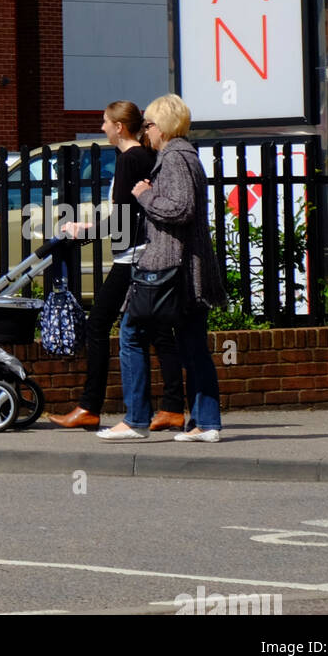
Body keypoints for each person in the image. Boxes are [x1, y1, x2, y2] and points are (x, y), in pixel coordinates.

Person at [47, 101, 185, 431]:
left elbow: (122, 220)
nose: (102, 128)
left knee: (97, 324)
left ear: (119, 127)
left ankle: (90, 406)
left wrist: (84, 231)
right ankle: (172, 406)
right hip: (145, 251)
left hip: (133, 256)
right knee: (158, 330)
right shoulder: (147, 156)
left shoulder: (129, 159)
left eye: (105, 122)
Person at [99, 93, 226, 442]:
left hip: (172, 268)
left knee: (131, 334)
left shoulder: (174, 158)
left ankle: (136, 419)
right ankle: (206, 423)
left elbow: (180, 209)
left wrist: (144, 195)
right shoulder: (183, 157)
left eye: (151, 125)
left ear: (164, 127)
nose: (147, 132)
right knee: (192, 345)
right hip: (186, 269)